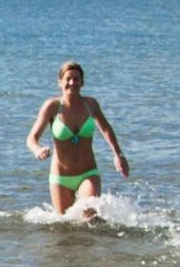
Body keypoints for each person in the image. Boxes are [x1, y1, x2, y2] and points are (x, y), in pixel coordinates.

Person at [24, 60, 130, 216]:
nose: (72, 83)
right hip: (60, 177)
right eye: (68, 79)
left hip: (88, 173)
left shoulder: (91, 104)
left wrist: (118, 154)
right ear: (60, 82)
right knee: (65, 227)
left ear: (82, 82)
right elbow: (31, 138)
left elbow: (106, 128)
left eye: (76, 79)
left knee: (89, 216)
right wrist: (37, 150)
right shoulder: (52, 107)